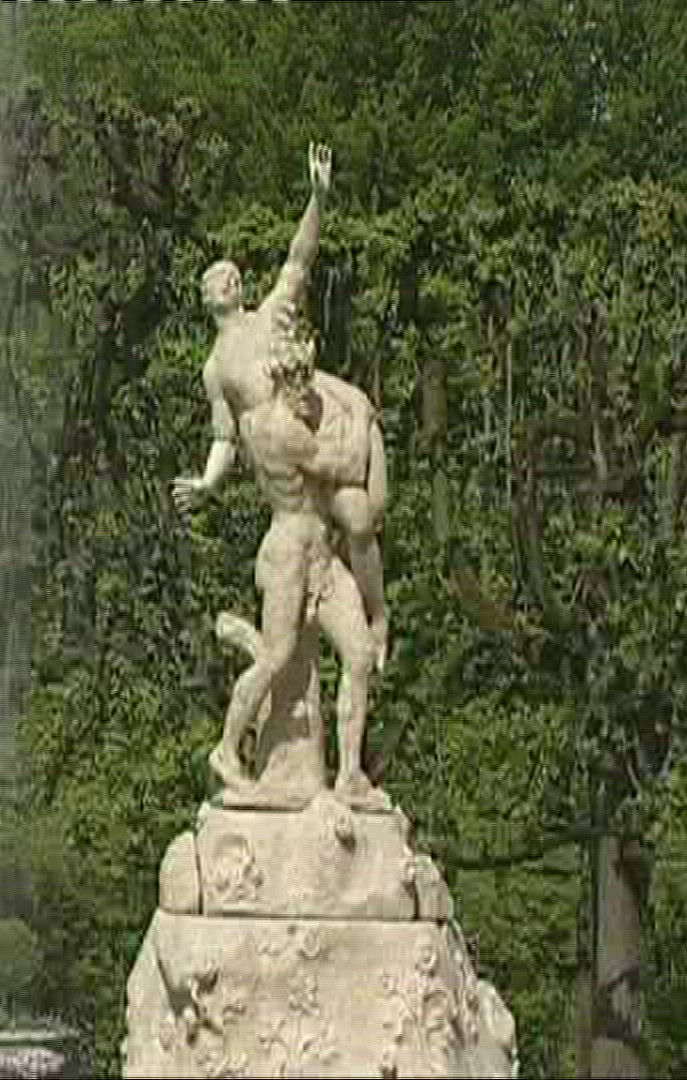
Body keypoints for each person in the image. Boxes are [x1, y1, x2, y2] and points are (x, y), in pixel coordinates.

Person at [172, 143, 389, 669]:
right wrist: (208, 483)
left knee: (361, 520)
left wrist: (318, 197)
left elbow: (298, 258)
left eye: (230, 275)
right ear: (206, 299)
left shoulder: (270, 316)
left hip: (321, 431)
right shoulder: (215, 369)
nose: (226, 280)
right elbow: (224, 436)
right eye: (215, 279)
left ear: (239, 287)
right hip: (287, 473)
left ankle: (379, 615)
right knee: (332, 540)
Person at [204, 325, 382, 807]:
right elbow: (348, 466)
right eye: (299, 379)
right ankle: (226, 751)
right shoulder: (287, 433)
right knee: (275, 657)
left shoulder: (253, 421)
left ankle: (350, 773)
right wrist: (361, 414)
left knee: (359, 654)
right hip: (288, 554)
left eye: (308, 377)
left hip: (319, 554)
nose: (308, 388)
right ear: (281, 381)